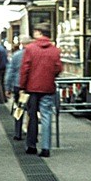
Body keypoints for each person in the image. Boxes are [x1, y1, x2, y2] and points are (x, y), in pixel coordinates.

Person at [20, 23, 62, 158]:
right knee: (46, 116)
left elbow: (25, 69)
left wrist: (22, 86)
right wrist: (50, 76)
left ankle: (31, 146)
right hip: (48, 88)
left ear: (38, 33)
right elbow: (58, 68)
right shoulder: (55, 50)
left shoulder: (30, 49)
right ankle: (45, 148)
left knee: (32, 116)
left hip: (32, 88)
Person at [5, 36, 32, 140]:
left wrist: (7, 88)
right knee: (31, 110)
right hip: (31, 87)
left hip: (18, 86)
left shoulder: (16, 55)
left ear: (21, 43)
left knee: (19, 108)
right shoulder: (34, 55)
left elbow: (10, 72)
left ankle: (17, 133)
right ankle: (31, 133)